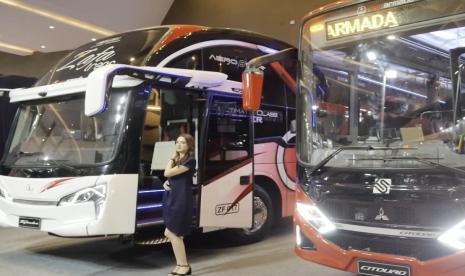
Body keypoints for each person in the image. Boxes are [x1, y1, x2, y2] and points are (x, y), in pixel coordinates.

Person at [163, 133, 196, 276]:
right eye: (177, 142)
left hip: (182, 199)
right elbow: (171, 177)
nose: (179, 144)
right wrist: (167, 183)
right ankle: (180, 265)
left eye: (182, 142)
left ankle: (184, 266)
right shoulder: (179, 160)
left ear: (189, 145)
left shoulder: (190, 160)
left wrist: (171, 157)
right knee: (173, 233)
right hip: (173, 197)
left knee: (171, 232)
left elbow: (167, 172)